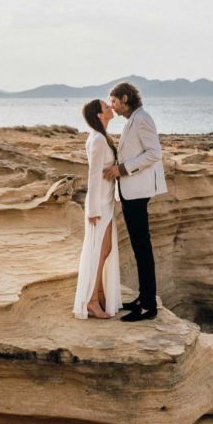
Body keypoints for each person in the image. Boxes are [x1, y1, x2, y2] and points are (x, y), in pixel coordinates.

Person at [104, 81, 166, 322]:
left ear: (125, 98)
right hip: (131, 191)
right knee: (140, 247)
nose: (113, 106)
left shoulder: (142, 118)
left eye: (114, 102)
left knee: (142, 247)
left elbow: (154, 153)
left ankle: (148, 305)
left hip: (138, 191)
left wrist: (123, 169)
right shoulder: (133, 119)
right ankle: (143, 298)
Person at [73, 99, 122, 320]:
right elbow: (93, 175)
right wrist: (92, 209)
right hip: (99, 204)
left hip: (106, 200)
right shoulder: (98, 139)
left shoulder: (101, 136)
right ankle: (92, 301)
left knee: (105, 249)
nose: (111, 108)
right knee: (98, 251)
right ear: (99, 115)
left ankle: (99, 293)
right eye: (106, 106)